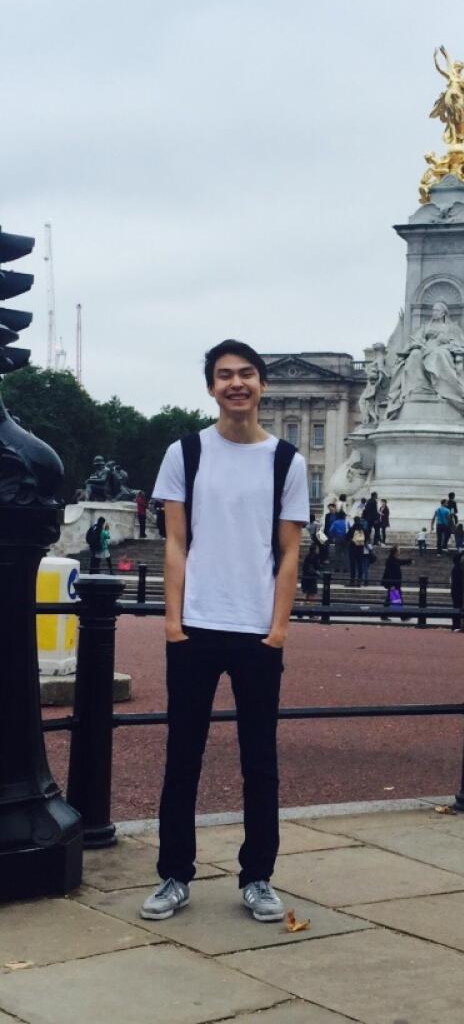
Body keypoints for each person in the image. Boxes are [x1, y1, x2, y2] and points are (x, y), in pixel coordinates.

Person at [140, 339, 309, 925]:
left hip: (257, 629)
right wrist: (171, 620)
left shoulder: (287, 460)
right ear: (211, 388)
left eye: (246, 375)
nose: (236, 384)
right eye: (224, 376)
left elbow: (290, 553)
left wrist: (279, 629)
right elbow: (175, 541)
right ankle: (174, 874)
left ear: (262, 385)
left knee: (259, 761)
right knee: (181, 757)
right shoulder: (184, 452)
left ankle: (258, 875)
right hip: (196, 626)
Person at [380, 544, 411, 618]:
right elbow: (389, 573)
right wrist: (392, 585)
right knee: (396, 599)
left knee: (391, 599)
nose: (400, 551)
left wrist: (409, 561)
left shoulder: (394, 559)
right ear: (396, 552)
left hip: (396, 583)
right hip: (393, 583)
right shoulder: (390, 561)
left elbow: (401, 562)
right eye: (399, 550)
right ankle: (402, 616)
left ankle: (384, 615)